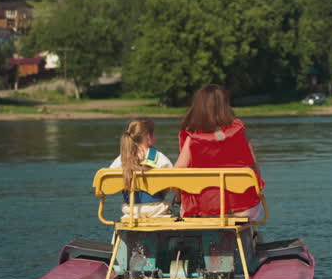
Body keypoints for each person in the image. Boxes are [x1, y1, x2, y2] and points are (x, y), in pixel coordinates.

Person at [174, 84, 265, 221]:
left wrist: (179, 199)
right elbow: (254, 167)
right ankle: (251, 237)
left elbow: (178, 172)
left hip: (204, 210)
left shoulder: (193, 138)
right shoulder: (239, 132)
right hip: (243, 208)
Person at [109, 117, 174, 218]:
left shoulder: (122, 160)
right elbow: (171, 184)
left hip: (130, 214)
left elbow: (109, 183)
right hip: (157, 212)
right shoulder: (160, 159)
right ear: (149, 136)